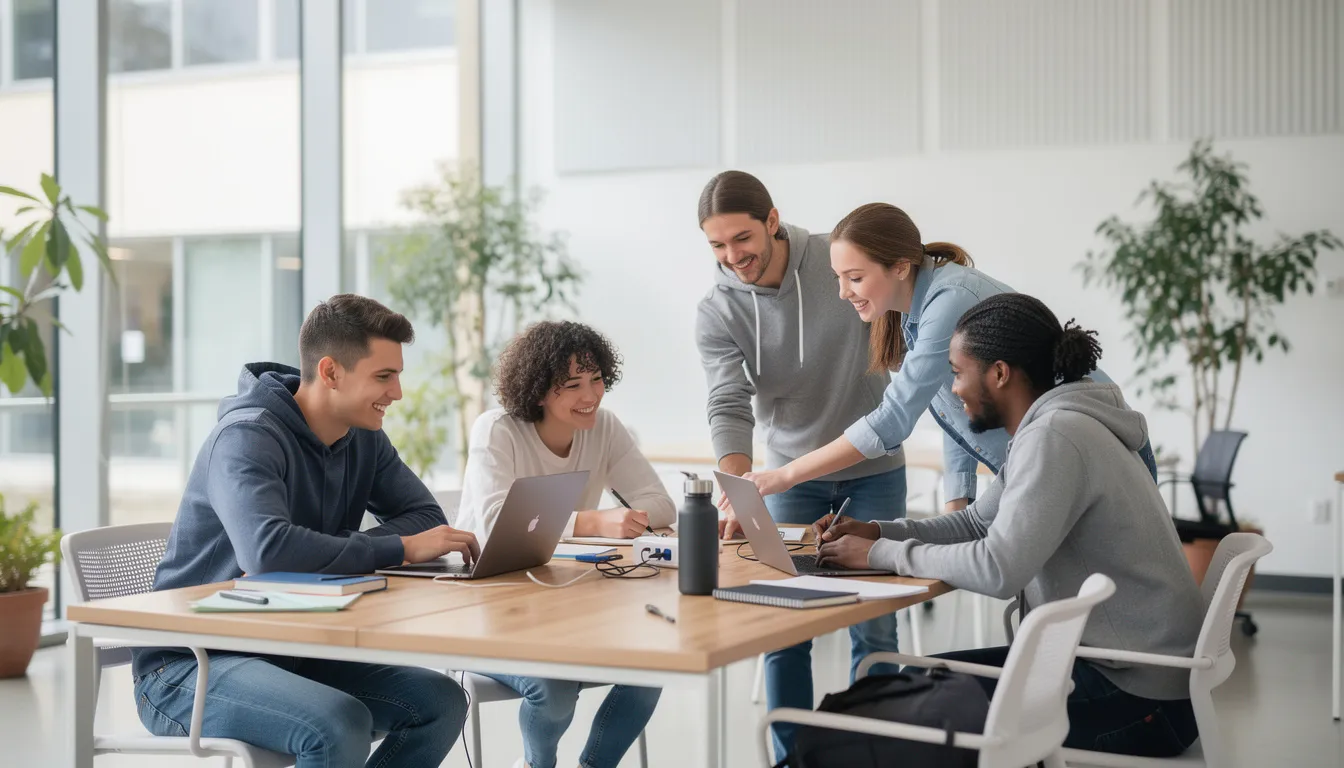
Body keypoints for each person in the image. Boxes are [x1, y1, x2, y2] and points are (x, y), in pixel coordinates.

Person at [814, 293, 1202, 758]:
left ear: (999, 373)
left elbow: (999, 568)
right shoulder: (1053, 427)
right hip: (1130, 676)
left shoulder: (1056, 436)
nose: (954, 389)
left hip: (1137, 696)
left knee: (910, 711)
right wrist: (879, 533)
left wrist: (880, 555)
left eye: (958, 373)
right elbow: (979, 522)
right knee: (916, 683)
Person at [132, 294, 478, 768]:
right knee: (337, 725)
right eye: (384, 376)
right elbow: (268, 552)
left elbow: (425, 517)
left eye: (397, 375)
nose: (397, 393)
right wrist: (396, 548)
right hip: (191, 663)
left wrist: (363, 548)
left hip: (290, 648)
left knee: (440, 702)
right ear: (331, 371)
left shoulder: (363, 437)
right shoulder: (246, 436)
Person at [742, 202, 1157, 510]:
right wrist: (958, 500)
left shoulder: (949, 301)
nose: (843, 292)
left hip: (1098, 454)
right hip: (1062, 460)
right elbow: (958, 407)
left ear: (900, 267)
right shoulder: (918, 312)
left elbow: (892, 419)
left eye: (855, 277)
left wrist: (786, 474)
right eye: (839, 278)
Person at [694, 171, 907, 758]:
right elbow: (727, 400)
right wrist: (738, 482)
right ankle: (795, 758)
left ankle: (876, 753)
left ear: (772, 220)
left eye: (742, 238)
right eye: (717, 245)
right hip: (788, 477)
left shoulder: (838, 263)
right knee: (782, 627)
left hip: (875, 469)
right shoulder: (717, 311)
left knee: (875, 623)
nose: (733, 255)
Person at [456, 320, 668, 768]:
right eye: (572, 385)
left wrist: (627, 519)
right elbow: (496, 524)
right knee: (553, 690)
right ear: (538, 391)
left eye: (596, 379)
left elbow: (660, 503)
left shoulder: (603, 427)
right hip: (488, 611)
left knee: (653, 667)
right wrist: (593, 521)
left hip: (568, 608)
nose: (590, 395)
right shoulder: (497, 430)